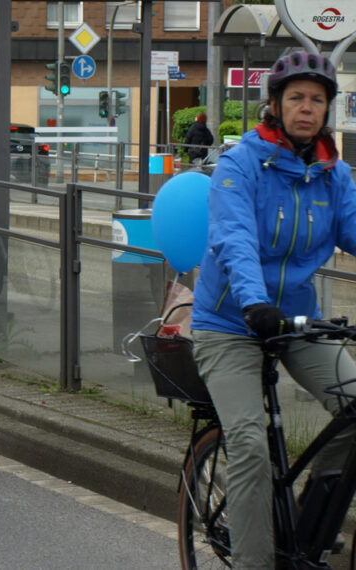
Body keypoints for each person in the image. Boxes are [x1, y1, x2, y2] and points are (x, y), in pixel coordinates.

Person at [190, 51, 356, 570]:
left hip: (297, 320)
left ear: (327, 109)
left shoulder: (334, 175)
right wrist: (254, 300)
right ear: (276, 105)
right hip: (229, 322)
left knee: (355, 409)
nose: (307, 108)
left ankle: (308, 529)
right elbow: (234, 237)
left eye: (317, 100)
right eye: (296, 98)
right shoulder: (242, 163)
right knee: (249, 444)